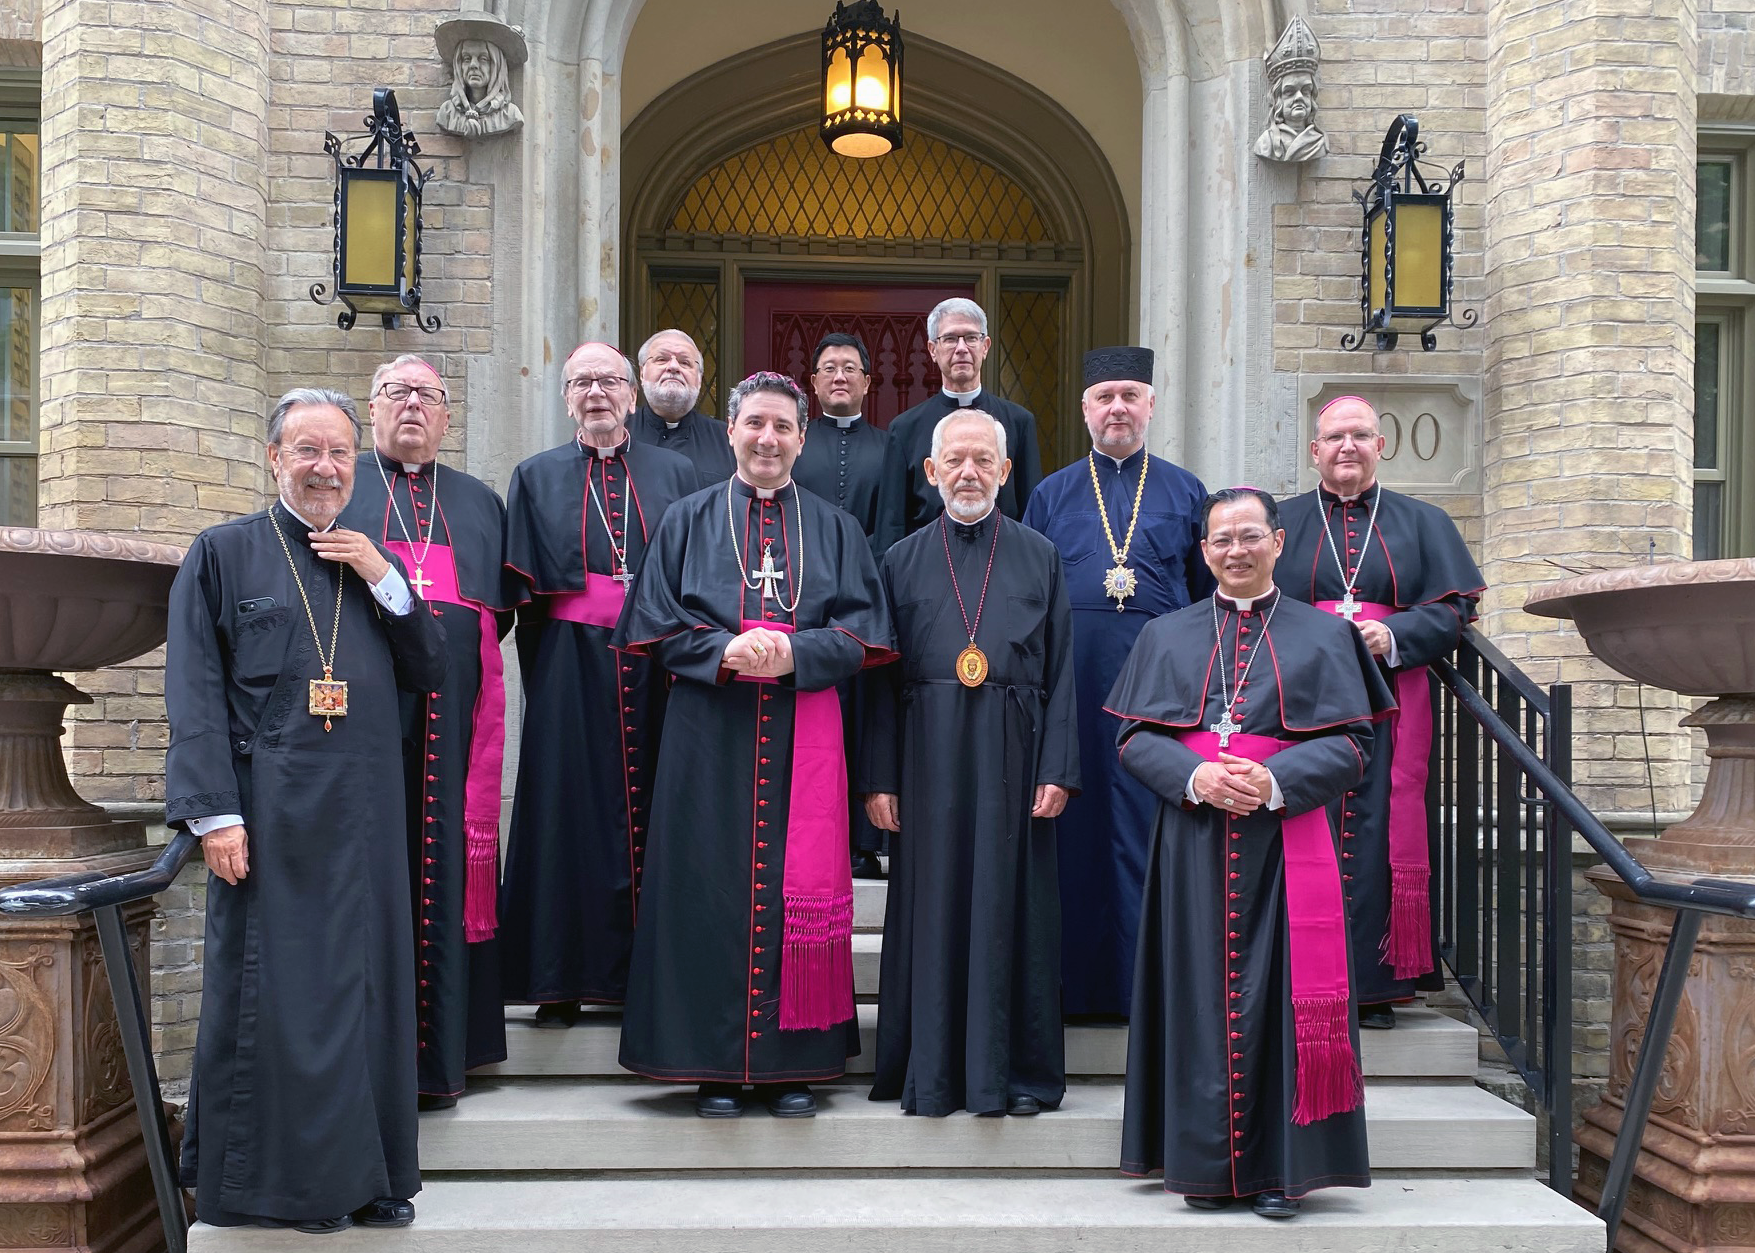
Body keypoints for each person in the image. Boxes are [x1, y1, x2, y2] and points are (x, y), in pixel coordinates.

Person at [166, 387, 446, 1232]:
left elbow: (429, 667)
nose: (324, 468)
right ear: (274, 457)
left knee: (366, 999)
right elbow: (197, 692)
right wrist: (214, 816)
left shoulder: (373, 561)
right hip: (269, 823)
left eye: (338, 454)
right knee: (281, 1003)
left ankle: (373, 1176)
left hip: (364, 819)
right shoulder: (222, 554)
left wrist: (381, 573)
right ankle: (291, 1189)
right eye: (307, 450)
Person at [612, 371, 894, 1119]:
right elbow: (651, 622)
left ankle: (788, 1063)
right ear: (730, 430)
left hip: (805, 734)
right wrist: (725, 650)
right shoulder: (685, 519)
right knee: (705, 894)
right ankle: (713, 1064)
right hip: (709, 734)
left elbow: (867, 628)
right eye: (754, 423)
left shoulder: (836, 527)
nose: (767, 438)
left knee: (794, 892)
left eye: (781, 427)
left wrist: (797, 653)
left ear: (801, 438)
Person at [1110, 486, 1393, 1219]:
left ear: (1276, 541)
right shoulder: (1165, 635)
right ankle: (1201, 1167)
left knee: (1279, 1000)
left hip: (1284, 840)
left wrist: (1274, 780)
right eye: (1219, 540)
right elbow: (1133, 739)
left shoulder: (1325, 637)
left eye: (1247, 535)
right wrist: (1195, 775)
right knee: (1195, 999)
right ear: (1203, 553)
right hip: (1192, 842)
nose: (1234, 550)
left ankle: (1280, 1171)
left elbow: (1355, 744)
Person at [862, 409, 1079, 1117]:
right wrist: (880, 775)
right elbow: (879, 682)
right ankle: (932, 1071)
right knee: (934, 906)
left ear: (1005, 472)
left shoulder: (1039, 553)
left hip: (1016, 757)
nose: (968, 472)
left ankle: (1013, 1073)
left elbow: (1062, 669)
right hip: (926, 756)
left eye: (983, 460)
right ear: (929, 472)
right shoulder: (897, 561)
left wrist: (1058, 766)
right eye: (954, 460)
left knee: (1014, 908)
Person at [497, 342, 697, 1023]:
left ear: (632, 396)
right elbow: (513, 590)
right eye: (581, 381)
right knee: (564, 814)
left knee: (659, 811)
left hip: (658, 667)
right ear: (565, 398)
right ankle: (559, 977)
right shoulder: (535, 475)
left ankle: (651, 969)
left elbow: (695, 575)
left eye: (609, 380)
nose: (596, 393)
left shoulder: (676, 473)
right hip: (565, 670)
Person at [338, 354, 514, 1109]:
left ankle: (448, 1056)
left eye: (428, 396)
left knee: (442, 870)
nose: (412, 406)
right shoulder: (342, 488)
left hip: (455, 722)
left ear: (448, 416)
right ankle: (371, 1057)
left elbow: (495, 615)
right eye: (396, 393)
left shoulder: (478, 501)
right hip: (369, 719)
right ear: (371, 409)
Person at [1278, 395, 1484, 1025]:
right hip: (1299, 706)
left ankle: (1370, 988)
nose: (1348, 447)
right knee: (1302, 827)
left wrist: (1389, 637)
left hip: (1392, 706)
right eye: (1335, 437)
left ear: (1380, 446)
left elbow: (1454, 611)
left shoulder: (1423, 521)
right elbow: (1249, 597)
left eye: (1360, 436)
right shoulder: (1279, 520)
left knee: (1374, 833)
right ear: (1314, 451)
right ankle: (1294, 974)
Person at [1022, 346, 1210, 1019]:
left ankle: (1147, 987)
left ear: (1151, 405)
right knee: (1071, 837)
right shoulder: (1052, 493)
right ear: (1084, 409)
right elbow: (1029, 597)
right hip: (1071, 691)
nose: (1118, 408)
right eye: (1105, 397)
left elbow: (1205, 599)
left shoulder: (1187, 492)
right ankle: (1070, 984)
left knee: (1145, 834)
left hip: (1159, 698)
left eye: (1130, 395)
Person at [793, 331, 893, 878]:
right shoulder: (794, 442)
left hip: (865, 604)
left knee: (862, 721)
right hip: (803, 607)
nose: (839, 376)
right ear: (813, 383)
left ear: (866, 382)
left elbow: (895, 524)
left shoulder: (890, 445)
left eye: (850, 368)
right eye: (828, 367)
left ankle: (863, 843)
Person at [878, 298, 1042, 547]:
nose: (962, 348)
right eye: (951, 338)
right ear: (933, 350)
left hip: (1004, 564)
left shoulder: (1019, 422)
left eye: (971, 338)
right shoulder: (905, 429)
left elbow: (1031, 513)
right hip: (927, 566)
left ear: (985, 346)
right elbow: (891, 524)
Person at [629, 328, 736, 487]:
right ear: (642, 374)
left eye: (685, 362)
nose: (673, 366)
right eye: (661, 359)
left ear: (699, 379)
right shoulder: (617, 434)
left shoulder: (729, 441)